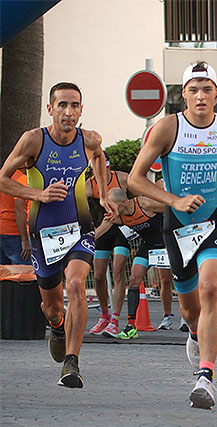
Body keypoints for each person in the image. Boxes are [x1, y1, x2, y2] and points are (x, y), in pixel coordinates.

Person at [128, 61, 217, 410]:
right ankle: (193, 332)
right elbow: (135, 179)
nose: (201, 95)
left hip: (215, 221)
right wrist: (174, 200)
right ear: (183, 94)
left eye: (207, 89)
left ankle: (206, 376)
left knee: (210, 287)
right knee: (189, 309)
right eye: (194, 89)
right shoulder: (166, 129)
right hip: (178, 227)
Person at [0, 82, 117, 388]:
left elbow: (100, 160)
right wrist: (37, 194)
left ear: (81, 109)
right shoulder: (33, 141)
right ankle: (56, 324)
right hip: (44, 235)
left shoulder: (89, 139)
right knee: (52, 306)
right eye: (62, 105)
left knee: (77, 284)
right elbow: (2, 179)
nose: (69, 112)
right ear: (50, 109)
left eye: (75, 105)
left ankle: (71, 363)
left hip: (79, 228)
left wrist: (103, 195)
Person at [99, 188, 172, 340]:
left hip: (167, 243)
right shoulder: (116, 216)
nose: (110, 210)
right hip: (148, 246)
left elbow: (171, 207)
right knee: (134, 279)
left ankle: (191, 320)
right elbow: (97, 233)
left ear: (124, 202)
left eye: (113, 206)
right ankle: (131, 326)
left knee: (175, 280)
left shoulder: (143, 203)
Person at [85, 153, 133, 335]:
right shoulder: (90, 184)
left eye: (100, 167)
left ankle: (115, 318)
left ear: (107, 166)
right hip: (104, 227)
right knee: (98, 276)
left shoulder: (121, 178)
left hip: (122, 228)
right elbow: (76, 201)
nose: (97, 171)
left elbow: (142, 191)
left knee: (119, 270)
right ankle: (104, 315)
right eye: (93, 168)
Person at [0, 169, 31, 265]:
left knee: (4, 274)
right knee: (24, 274)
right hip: (15, 232)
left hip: (2, 230)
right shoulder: (21, 179)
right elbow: (18, 210)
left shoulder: (3, 177)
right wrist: (25, 240)